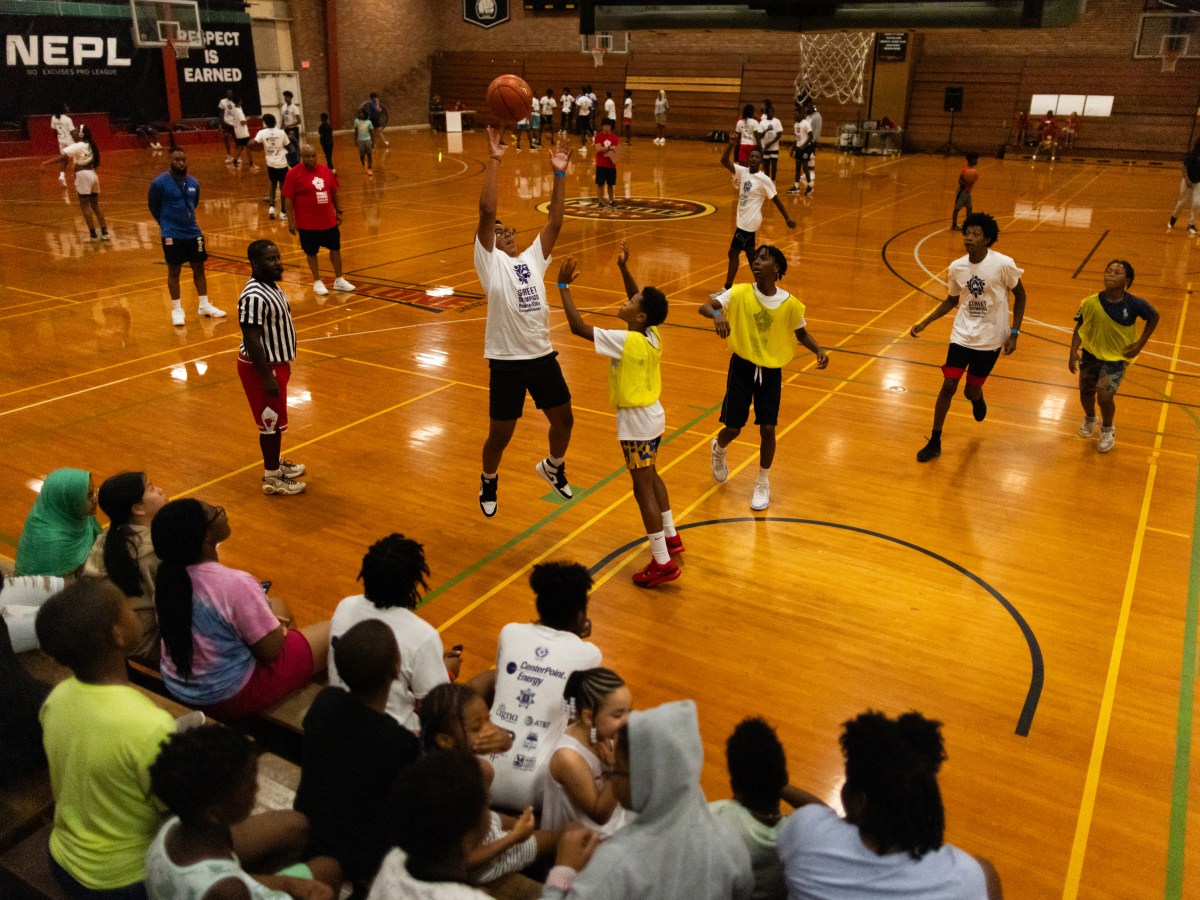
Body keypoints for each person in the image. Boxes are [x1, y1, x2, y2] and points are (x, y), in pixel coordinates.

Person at [36, 577, 176, 898]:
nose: (133, 611)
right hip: (124, 881)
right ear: (118, 634)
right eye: (126, 607)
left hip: (61, 859)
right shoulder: (150, 724)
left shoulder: (56, 699)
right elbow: (175, 810)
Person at [557, 245, 683, 586]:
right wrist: (624, 269)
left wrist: (563, 287)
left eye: (631, 303)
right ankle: (671, 536)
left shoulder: (625, 341)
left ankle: (662, 562)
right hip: (653, 417)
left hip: (637, 423)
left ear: (640, 317)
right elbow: (638, 298)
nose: (625, 301)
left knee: (641, 488)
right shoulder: (651, 333)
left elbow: (577, 327)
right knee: (653, 476)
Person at [776, 710, 1002, 899]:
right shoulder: (966, 878)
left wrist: (777, 785)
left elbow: (823, 820)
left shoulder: (804, 831)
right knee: (986, 869)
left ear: (858, 801)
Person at [542, 700, 754, 899]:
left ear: (641, 780)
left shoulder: (615, 863)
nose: (612, 782)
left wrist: (563, 870)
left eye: (616, 771)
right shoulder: (732, 843)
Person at [474, 126, 574, 518]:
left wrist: (560, 173)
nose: (507, 233)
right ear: (489, 242)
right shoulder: (489, 263)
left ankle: (552, 466)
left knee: (564, 420)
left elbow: (556, 222)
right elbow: (487, 212)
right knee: (500, 435)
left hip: (541, 356)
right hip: (506, 362)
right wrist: (496, 160)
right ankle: (488, 478)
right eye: (501, 232)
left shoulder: (532, 259)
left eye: (510, 229)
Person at [152, 497, 330, 718]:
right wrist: (277, 631)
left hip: (181, 685)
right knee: (333, 631)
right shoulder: (235, 583)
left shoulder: (167, 579)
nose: (222, 512)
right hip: (228, 695)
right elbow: (270, 651)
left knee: (279, 605)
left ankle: (294, 686)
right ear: (205, 536)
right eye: (215, 512)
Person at [147, 724, 341, 900]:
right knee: (330, 869)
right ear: (214, 814)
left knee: (296, 824)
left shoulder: (172, 827)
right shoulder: (229, 891)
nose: (257, 788)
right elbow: (225, 885)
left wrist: (287, 883)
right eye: (249, 787)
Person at [369, 751, 598, 899]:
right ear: (468, 841)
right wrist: (564, 872)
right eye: (485, 803)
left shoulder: (395, 860)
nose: (490, 801)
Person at [294, 620, 421, 887]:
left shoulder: (325, 701)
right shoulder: (398, 743)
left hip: (310, 828)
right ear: (397, 671)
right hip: (360, 856)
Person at [700, 246, 828, 510]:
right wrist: (717, 315)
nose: (756, 262)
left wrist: (819, 350)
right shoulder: (739, 292)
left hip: (771, 371)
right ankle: (719, 449)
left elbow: (801, 333)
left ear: (777, 269)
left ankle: (762, 482)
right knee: (734, 427)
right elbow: (706, 306)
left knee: (768, 428)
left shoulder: (790, 304)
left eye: (764, 258)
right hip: (742, 366)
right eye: (756, 258)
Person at [909, 211, 1027, 463]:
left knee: (970, 391)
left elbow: (1021, 296)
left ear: (987, 239)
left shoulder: (1003, 264)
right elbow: (952, 300)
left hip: (991, 339)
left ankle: (977, 397)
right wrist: (925, 322)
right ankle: (935, 440)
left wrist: (1015, 333)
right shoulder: (956, 267)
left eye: (976, 234)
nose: (969, 237)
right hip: (962, 336)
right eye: (967, 232)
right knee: (948, 385)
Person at [487, 560, 603, 811]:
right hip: (537, 791)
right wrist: (578, 640)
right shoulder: (590, 654)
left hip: (484, 777)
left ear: (539, 606)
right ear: (580, 614)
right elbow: (576, 716)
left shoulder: (510, 632)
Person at [419, 683, 558, 884]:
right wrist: (514, 837)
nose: (489, 731)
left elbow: (505, 742)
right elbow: (465, 861)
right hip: (477, 865)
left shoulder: (432, 750)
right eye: (477, 728)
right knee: (567, 836)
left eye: (489, 720)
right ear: (445, 740)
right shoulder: (456, 790)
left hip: (480, 827)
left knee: (534, 824)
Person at [327, 533, 461, 731]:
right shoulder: (422, 635)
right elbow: (436, 710)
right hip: (391, 737)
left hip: (340, 719)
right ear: (414, 584)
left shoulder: (345, 606)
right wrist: (447, 671)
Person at [709, 718, 825, 900]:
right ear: (783, 777)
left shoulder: (715, 816)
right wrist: (776, 782)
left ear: (733, 784)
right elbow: (824, 813)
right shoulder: (796, 835)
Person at [237, 239, 309, 494]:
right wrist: (266, 377)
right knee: (270, 422)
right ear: (255, 263)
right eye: (270, 259)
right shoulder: (254, 295)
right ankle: (272, 477)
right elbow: (251, 337)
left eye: (278, 257)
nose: (277, 263)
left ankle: (275, 464)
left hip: (277, 365)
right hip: (262, 368)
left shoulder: (271, 286)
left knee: (276, 421)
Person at [1070, 259, 1159, 453]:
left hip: (1116, 358)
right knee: (1086, 392)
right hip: (1091, 354)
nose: (1111, 274)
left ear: (1126, 280)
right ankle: (1090, 418)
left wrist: (1140, 343)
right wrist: (1073, 351)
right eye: (1108, 271)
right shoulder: (1090, 302)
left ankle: (1107, 428)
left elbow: (1154, 317)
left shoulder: (1134, 304)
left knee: (1104, 396)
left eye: (1117, 273)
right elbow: (1079, 326)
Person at [83, 472, 168, 662]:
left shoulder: (104, 539)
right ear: (138, 508)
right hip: (142, 644)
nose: (160, 490)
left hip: (110, 638)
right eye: (152, 488)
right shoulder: (157, 549)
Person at [542, 668, 635, 837]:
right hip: (584, 842)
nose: (627, 721)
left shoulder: (606, 733)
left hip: (615, 825)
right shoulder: (568, 758)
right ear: (588, 717)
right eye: (618, 714)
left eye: (629, 711)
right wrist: (619, 765)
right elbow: (599, 815)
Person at [148, 148, 225, 326]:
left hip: (193, 232)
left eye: (183, 159)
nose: (181, 163)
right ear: (170, 161)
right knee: (174, 272)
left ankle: (204, 305)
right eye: (177, 160)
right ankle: (177, 309)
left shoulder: (193, 183)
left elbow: (194, 203)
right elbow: (153, 206)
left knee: (199, 269)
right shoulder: (159, 183)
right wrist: (165, 224)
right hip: (172, 234)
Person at [715, 136, 795, 296]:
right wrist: (731, 145)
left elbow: (776, 199)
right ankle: (764, 288)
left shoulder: (764, 180)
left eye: (757, 157)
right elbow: (724, 161)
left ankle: (727, 288)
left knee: (733, 253)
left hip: (749, 222)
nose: (753, 159)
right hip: (743, 220)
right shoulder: (743, 172)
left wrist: (787, 218)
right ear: (749, 158)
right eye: (751, 156)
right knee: (753, 258)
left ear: (761, 161)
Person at [282, 145, 355, 296]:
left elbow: (334, 192)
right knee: (311, 252)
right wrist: (291, 220)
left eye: (313, 156)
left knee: (335, 248)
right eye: (307, 157)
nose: (311, 159)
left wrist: (339, 211)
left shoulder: (325, 171)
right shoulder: (293, 174)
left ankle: (339, 279)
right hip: (307, 223)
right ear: (302, 157)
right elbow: (288, 199)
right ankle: (317, 281)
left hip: (328, 220)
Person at [15, 467, 101, 577]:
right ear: (68, 499)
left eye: (93, 492)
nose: (95, 499)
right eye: (89, 496)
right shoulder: (52, 544)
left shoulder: (79, 517)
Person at [42, 124, 109, 241]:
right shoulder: (91, 145)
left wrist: (45, 163)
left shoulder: (78, 146)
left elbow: (62, 157)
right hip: (93, 175)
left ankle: (93, 235)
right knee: (95, 205)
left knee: (84, 206)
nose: (75, 132)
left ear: (81, 134)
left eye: (77, 130)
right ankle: (105, 232)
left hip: (83, 175)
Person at [253, 113, 291, 221]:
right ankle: (283, 212)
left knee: (272, 185)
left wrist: (257, 148)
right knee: (283, 187)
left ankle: (271, 208)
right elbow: (289, 146)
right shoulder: (282, 132)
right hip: (282, 164)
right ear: (275, 121)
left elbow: (253, 143)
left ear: (265, 122)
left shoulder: (262, 133)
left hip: (271, 164)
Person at [1168, 138, 1200, 234]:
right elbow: (1184, 167)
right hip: (1188, 181)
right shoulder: (1192, 156)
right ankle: (1173, 218)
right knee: (1182, 202)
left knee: (1197, 203)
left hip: (1198, 182)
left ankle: (1191, 224)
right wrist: (1187, 179)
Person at [788, 100, 816, 196]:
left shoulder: (805, 123)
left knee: (805, 167)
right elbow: (797, 138)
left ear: (800, 114)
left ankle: (809, 186)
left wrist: (804, 145)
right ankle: (796, 187)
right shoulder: (795, 125)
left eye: (795, 114)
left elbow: (811, 136)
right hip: (799, 148)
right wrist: (793, 149)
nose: (794, 116)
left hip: (806, 148)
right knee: (797, 168)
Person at [593, 118, 620, 207]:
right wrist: (609, 148)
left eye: (608, 125)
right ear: (602, 126)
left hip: (611, 165)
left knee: (611, 184)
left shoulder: (615, 138)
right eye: (605, 125)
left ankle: (611, 201)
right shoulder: (598, 136)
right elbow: (599, 149)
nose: (607, 127)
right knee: (600, 184)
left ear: (611, 127)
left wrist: (610, 150)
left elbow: (617, 151)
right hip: (601, 164)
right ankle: (600, 201)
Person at [951, 152, 979, 231]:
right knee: (957, 208)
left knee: (969, 208)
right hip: (962, 191)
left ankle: (968, 224)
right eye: (975, 159)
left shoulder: (974, 170)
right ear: (971, 160)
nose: (977, 161)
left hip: (968, 192)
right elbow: (960, 181)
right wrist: (967, 182)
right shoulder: (965, 170)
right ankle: (954, 225)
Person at [228, 97, 258, 171]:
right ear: (239, 102)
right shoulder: (238, 111)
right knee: (248, 147)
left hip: (237, 132)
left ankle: (234, 162)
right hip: (243, 132)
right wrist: (247, 119)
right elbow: (243, 122)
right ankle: (251, 164)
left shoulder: (233, 109)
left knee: (240, 147)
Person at [50, 102, 75, 187]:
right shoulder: (68, 119)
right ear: (63, 109)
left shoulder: (53, 118)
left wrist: (59, 138)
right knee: (77, 156)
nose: (68, 108)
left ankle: (62, 176)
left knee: (64, 159)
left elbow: (53, 130)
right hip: (70, 141)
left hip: (61, 141)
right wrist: (78, 141)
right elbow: (72, 132)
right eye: (66, 106)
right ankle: (77, 176)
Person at [758, 100, 783, 181]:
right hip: (765, 147)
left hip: (774, 147)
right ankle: (767, 181)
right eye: (769, 112)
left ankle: (773, 181)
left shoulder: (777, 121)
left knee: (774, 165)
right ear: (766, 112)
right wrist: (765, 130)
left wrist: (770, 143)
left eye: (772, 112)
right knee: (766, 166)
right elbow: (760, 135)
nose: (771, 113)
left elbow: (779, 134)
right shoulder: (762, 122)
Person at [353, 109, 374, 175]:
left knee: (369, 154)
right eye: (359, 113)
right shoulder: (356, 121)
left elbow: (372, 132)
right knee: (362, 155)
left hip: (367, 140)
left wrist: (373, 141)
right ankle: (363, 164)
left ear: (364, 114)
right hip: (360, 140)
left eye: (361, 113)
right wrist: (355, 140)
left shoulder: (369, 122)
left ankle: (370, 168)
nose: (360, 114)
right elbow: (356, 131)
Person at [219, 88, 237, 162]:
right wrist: (221, 123)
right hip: (226, 123)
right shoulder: (223, 101)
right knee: (226, 137)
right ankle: (229, 155)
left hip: (234, 123)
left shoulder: (235, 102)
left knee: (236, 140)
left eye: (231, 93)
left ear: (232, 94)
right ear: (226, 94)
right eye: (228, 93)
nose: (229, 94)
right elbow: (221, 113)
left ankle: (237, 156)